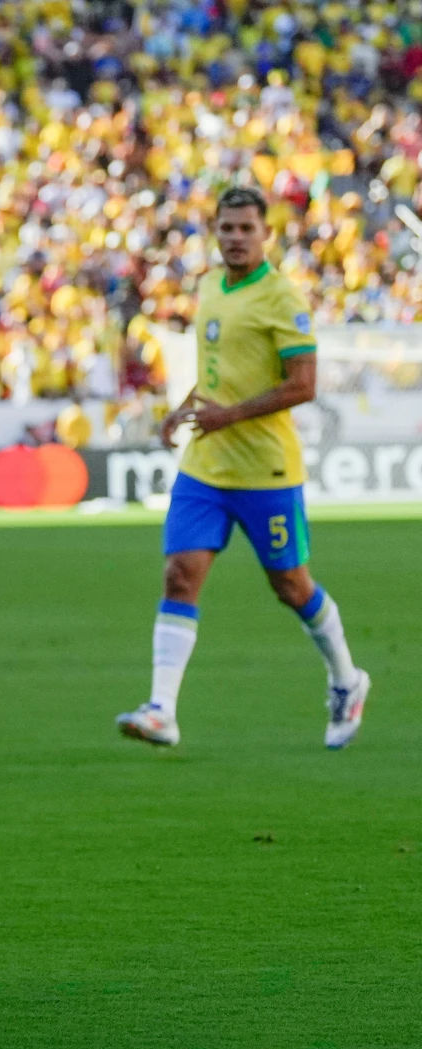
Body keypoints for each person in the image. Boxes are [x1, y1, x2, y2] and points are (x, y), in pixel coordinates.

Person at [117, 187, 370, 750]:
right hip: (206, 467)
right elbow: (217, 373)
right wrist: (186, 406)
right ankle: (161, 709)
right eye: (226, 228)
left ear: (265, 235)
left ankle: (347, 681)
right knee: (180, 574)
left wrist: (229, 415)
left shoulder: (282, 298)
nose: (234, 238)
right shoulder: (210, 284)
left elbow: (304, 385)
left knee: (290, 585)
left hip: (266, 472)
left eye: (245, 229)